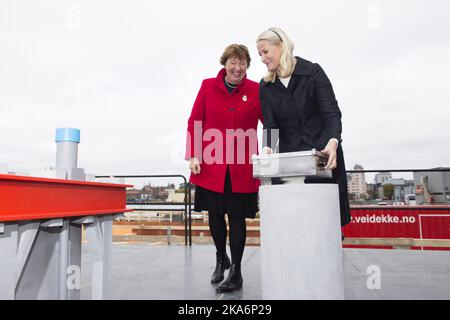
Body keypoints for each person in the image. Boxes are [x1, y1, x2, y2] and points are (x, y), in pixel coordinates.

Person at [185, 44, 263, 293]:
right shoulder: (208, 86)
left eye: (243, 63)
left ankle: (236, 271)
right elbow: (195, 121)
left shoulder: (256, 90)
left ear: (247, 66)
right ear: (224, 63)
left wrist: (272, 149)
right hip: (211, 163)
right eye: (233, 62)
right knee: (215, 215)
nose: (238, 68)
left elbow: (271, 121)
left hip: (242, 165)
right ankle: (221, 258)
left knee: (237, 217)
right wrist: (194, 154)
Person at [256, 27, 351, 228]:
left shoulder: (313, 72)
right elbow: (271, 125)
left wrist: (333, 142)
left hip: (322, 158)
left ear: (281, 46)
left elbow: (332, 114)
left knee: (325, 224)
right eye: (260, 54)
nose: (262, 58)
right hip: (291, 164)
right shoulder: (265, 86)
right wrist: (267, 148)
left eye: (265, 52)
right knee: (294, 224)